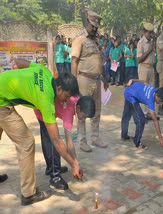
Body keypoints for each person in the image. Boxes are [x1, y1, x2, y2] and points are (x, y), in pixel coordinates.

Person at [0, 59, 83, 205]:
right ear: (59, 90)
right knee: (26, 142)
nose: (65, 101)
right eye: (65, 96)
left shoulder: (45, 72)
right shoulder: (46, 101)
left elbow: (19, 61)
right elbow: (56, 140)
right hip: (2, 103)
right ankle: (28, 194)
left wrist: (14, 79)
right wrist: (73, 164)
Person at [34, 96, 95, 190]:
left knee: (50, 139)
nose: (83, 119)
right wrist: (74, 165)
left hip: (47, 106)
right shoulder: (68, 112)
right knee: (52, 141)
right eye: (83, 116)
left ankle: (52, 167)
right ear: (78, 108)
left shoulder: (78, 100)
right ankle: (55, 176)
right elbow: (69, 142)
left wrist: (75, 164)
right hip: (42, 110)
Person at [71, 10, 109, 152]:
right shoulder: (79, 40)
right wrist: (73, 83)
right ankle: (82, 141)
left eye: (96, 27)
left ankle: (95, 137)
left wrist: (105, 78)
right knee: (82, 112)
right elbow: (74, 61)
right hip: (83, 80)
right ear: (87, 22)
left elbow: (100, 62)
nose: (94, 29)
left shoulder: (95, 42)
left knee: (96, 111)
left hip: (96, 80)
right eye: (92, 26)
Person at [121, 79, 163, 149]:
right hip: (131, 96)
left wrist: (132, 80)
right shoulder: (150, 100)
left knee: (127, 115)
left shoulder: (153, 89)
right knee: (141, 120)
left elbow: (143, 81)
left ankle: (124, 135)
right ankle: (136, 143)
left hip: (128, 90)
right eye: (160, 100)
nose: (159, 103)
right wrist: (160, 138)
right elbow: (155, 120)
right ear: (156, 95)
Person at [137, 23, 156, 118]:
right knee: (143, 91)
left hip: (151, 68)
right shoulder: (140, 43)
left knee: (151, 91)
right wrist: (149, 50)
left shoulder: (152, 42)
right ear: (144, 32)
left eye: (151, 32)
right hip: (143, 68)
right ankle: (143, 113)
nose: (151, 34)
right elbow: (139, 59)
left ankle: (150, 112)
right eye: (149, 32)